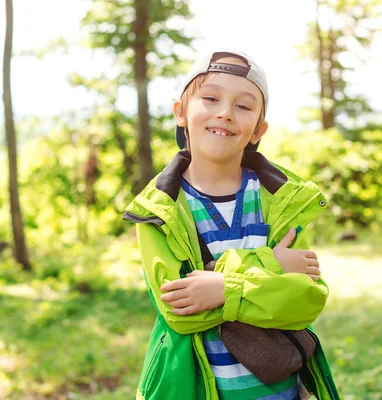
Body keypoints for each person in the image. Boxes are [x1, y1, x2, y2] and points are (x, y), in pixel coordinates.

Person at [123, 49, 340, 400]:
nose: (225, 113)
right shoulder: (158, 210)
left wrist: (220, 287)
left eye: (243, 106)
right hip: (197, 390)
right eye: (210, 98)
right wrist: (270, 267)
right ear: (181, 113)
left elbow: (305, 300)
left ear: (258, 129)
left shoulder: (282, 199)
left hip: (281, 391)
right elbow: (180, 311)